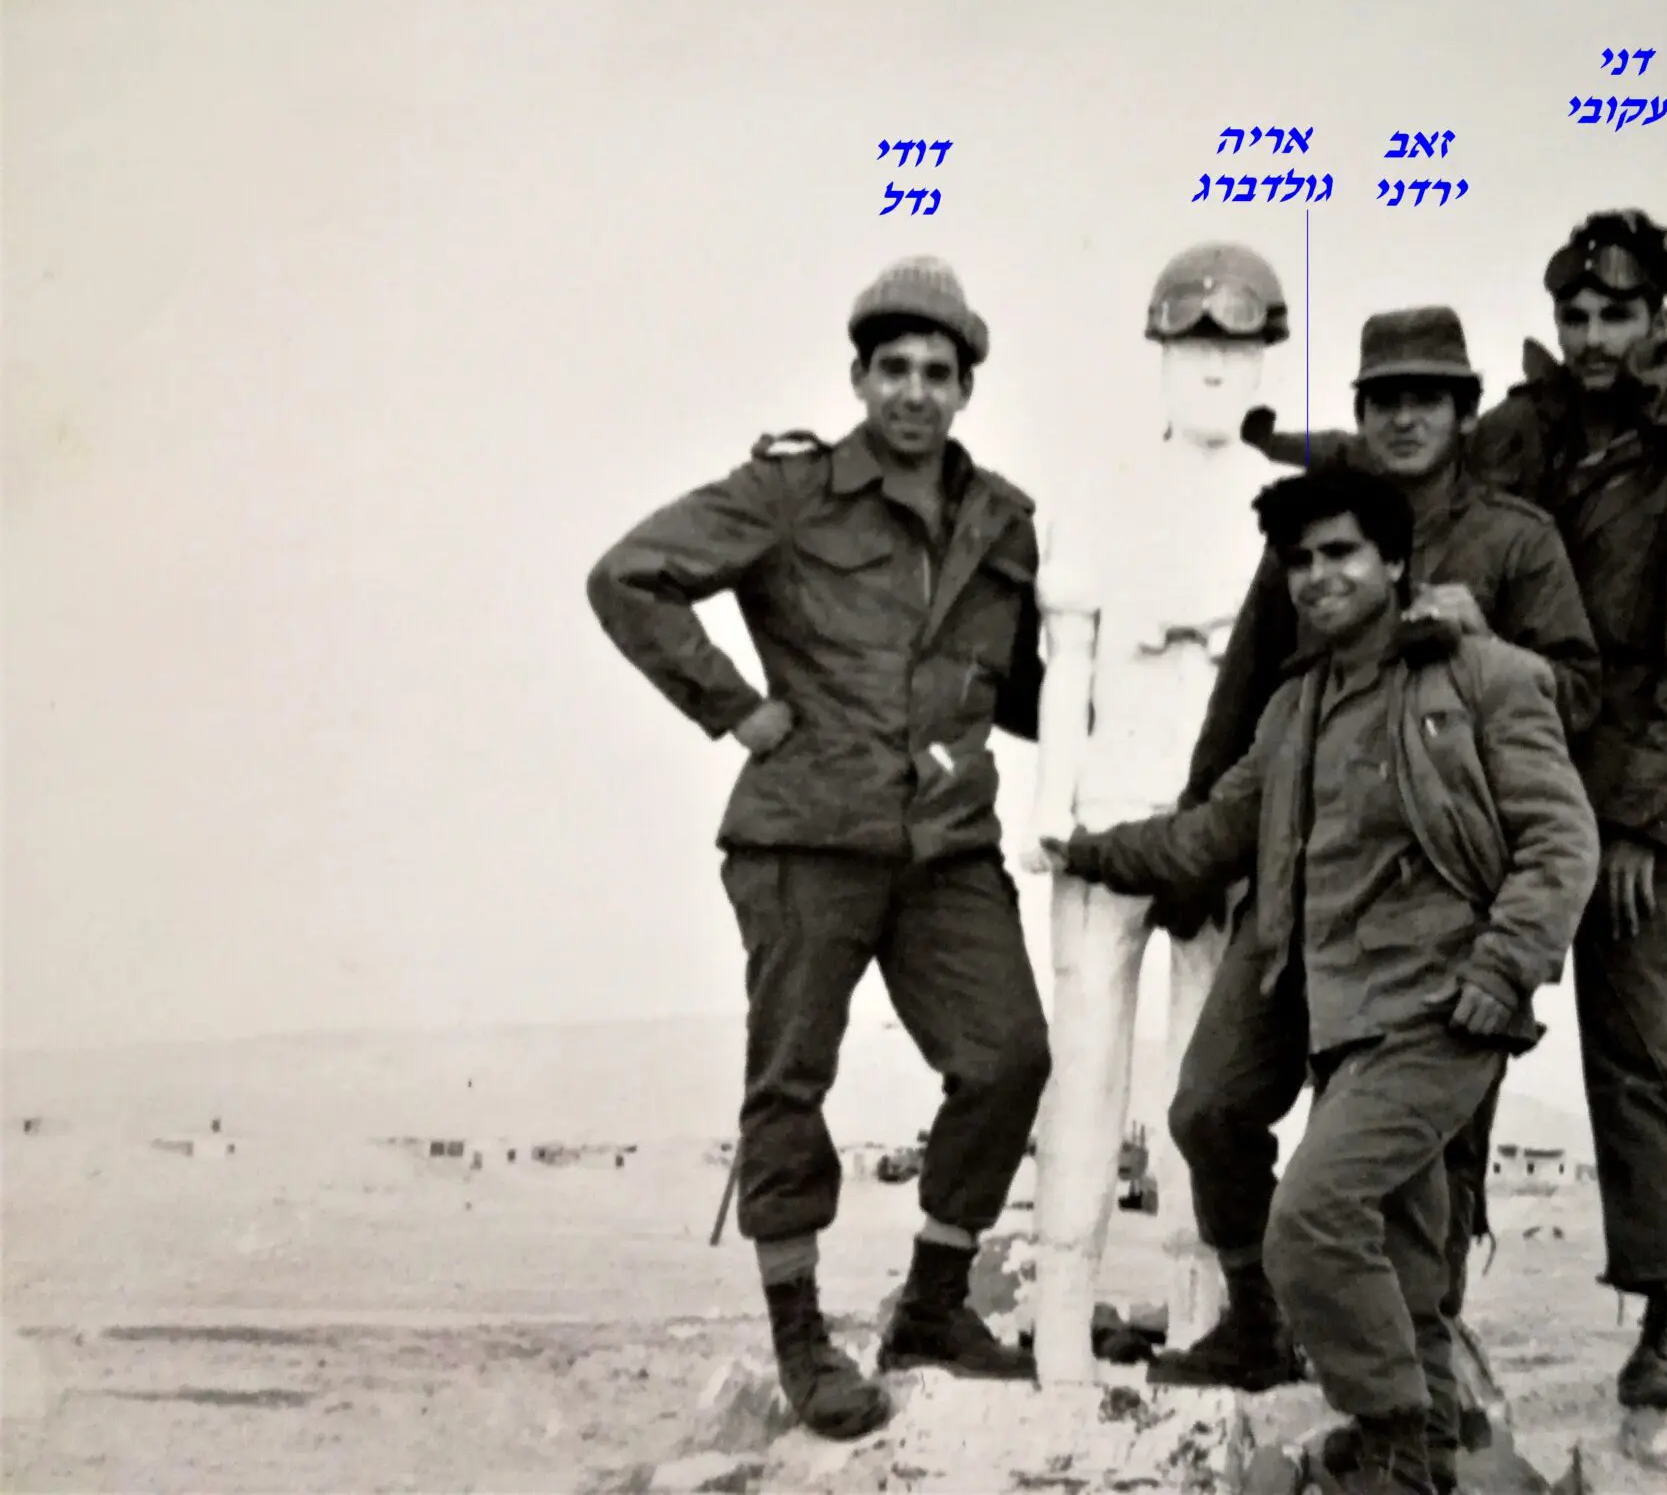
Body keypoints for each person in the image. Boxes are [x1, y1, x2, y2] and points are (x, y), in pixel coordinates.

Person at [1041, 467, 1599, 1495]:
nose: (1317, 577)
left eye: (1340, 552)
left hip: (1442, 1008)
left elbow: (1562, 842)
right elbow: (1214, 831)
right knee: (1370, 1225)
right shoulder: (1294, 707)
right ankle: (1404, 1436)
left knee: (1312, 1222)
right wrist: (1086, 852)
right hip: (1328, 1005)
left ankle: (1395, 1442)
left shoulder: (1487, 677)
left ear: (1394, 561)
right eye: (1298, 561)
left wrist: (1505, 966)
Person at [585, 257, 1050, 1441]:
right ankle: (801, 1338)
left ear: (965, 388)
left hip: (946, 844)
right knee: (791, 1082)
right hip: (806, 836)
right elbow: (629, 577)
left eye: (936, 372)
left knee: (1007, 1058)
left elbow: (1025, 689)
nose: (913, 391)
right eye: (892, 368)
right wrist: (733, 708)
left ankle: (932, 1306)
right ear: (857, 378)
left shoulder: (1002, 522)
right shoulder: (789, 491)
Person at [1466, 210, 1667, 1432]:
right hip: (1496, 796)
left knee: (1640, 1051)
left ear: (1657, 319)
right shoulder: (1516, 439)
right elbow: (1418, 494)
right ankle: (1429, 1301)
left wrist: (1645, 825)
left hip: (1628, 821)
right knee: (1451, 1031)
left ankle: (1666, 1324)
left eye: (1615, 314)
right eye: (1575, 316)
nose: (1592, 337)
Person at [1012, 242, 1292, 1383]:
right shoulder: (1101, 488)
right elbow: (1066, 656)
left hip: (1221, 825)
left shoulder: (1275, 502)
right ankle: (1058, 1325)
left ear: (1263, 359)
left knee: (1203, 1081)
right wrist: (1048, 808)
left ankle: (1200, 1316)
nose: (1215, 370)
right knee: (1083, 1069)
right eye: (1193, 348)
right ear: (1162, 357)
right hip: (1106, 815)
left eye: (1238, 348)